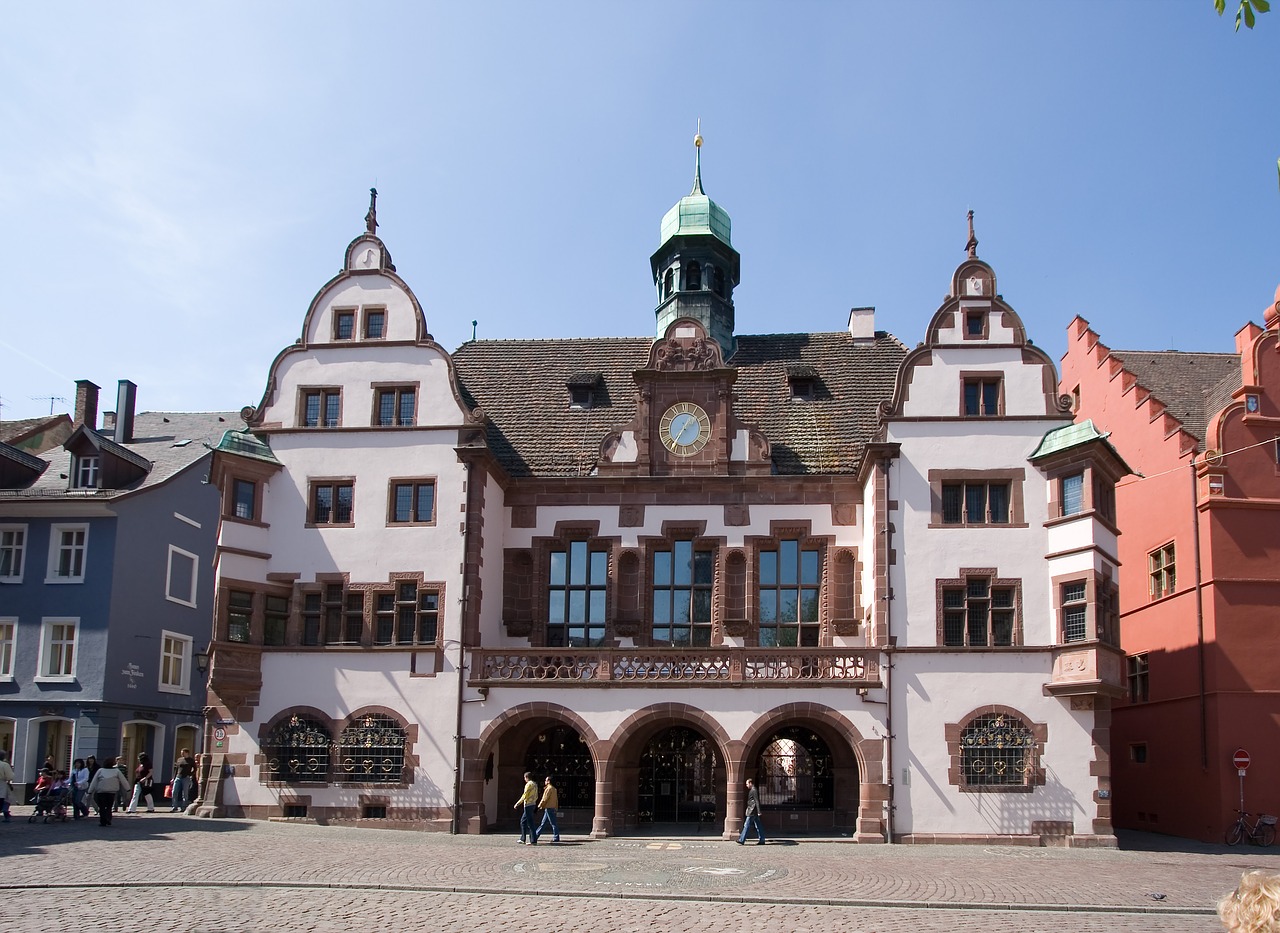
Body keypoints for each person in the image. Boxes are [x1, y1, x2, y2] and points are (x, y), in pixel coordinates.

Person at [87, 756, 130, 826]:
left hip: (101, 791)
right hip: (111, 791)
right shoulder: (116, 771)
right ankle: (108, 819)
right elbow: (123, 780)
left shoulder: (100, 771)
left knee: (102, 807)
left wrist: (90, 791)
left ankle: (103, 821)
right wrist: (128, 788)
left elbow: (94, 781)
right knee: (109, 807)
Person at [737, 777, 765, 845]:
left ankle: (742, 839)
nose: (746, 785)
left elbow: (756, 801)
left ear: (750, 783)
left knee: (746, 825)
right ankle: (762, 839)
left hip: (752, 811)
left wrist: (758, 811)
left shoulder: (754, 790)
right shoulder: (754, 790)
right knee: (758, 826)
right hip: (753, 811)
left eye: (747, 784)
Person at [513, 771, 539, 844]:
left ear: (526, 777)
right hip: (533, 804)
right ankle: (523, 838)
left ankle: (532, 840)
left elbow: (525, 795)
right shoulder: (535, 784)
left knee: (529, 823)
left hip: (528, 805)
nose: (524, 779)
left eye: (524, 778)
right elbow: (536, 795)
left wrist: (517, 803)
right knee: (524, 821)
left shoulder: (528, 784)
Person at [534, 775, 560, 844]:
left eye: (546, 780)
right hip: (551, 808)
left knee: (553, 823)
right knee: (543, 823)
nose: (545, 781)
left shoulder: (548, 789)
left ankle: (556, 837)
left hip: (549, 808)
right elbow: (556, 800)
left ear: (548, 781)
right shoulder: (554, 789)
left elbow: (544, 799)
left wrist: (539, 806)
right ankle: (536, 835)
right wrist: (556, 807)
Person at [0, 751, 14, 822]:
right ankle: (6, 814)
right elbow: (10, 776)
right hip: (1, 784)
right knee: (4, 799)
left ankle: (6, 815)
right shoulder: (4, 765)